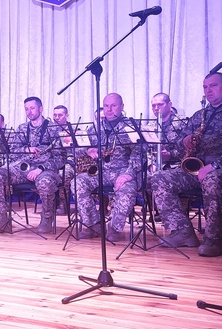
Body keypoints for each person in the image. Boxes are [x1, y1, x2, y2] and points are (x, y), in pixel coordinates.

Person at [151, 72, 222, 256]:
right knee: (160, 178)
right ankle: (182, 231)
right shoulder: (199, 115)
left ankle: (213, 239)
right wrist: (184, 141)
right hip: (199, 169)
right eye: (205, 87)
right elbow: (178, 147)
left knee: (212, 179)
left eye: (213, 85)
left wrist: (215, 165)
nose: (208, 90)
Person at [0, 97, 66, 235]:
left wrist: (41, 169)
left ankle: (47, 217)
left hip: (45, 169)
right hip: (23, 167)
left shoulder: (54, 129)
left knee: (45, 181)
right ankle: (1, 218)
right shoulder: (22, 128)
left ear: (41, 109)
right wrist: (26, 149)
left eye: (32, 108)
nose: (29, 111)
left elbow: (61, 158)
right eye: (26, 109)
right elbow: (13, 151)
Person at [74, 93, 144, 242]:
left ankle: (114, 228)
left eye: (113, 106)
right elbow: (77, 148)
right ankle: (94, 225)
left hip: (124, 171)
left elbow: (140, 153)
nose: (109, 109)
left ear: (122, 107)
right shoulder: (95, 128)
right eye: (106, 106)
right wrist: (88, 150)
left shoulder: (131, 127)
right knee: (77, 182)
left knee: (126, 190)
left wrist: (128, 174)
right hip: (101, 171)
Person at [149, 92, 187, 170]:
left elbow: (188, 148)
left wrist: (170, 155)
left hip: (177, 166)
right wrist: (150, 165)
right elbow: (147, 150)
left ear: (169, 105)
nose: (156, 108)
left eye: (160, 104)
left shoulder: (182, 122)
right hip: (155, 166)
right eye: (153, 105)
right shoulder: (150, 125)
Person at [52, 104, 75, 215]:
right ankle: (51, 202)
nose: (57, 118)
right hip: (52, 160)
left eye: (60, 115)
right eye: (55, 115)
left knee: (63, 174)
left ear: (67, 115)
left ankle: (63, 203)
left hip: (69, 160)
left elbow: (75, 152)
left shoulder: (73, 130)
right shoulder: (49, 130)